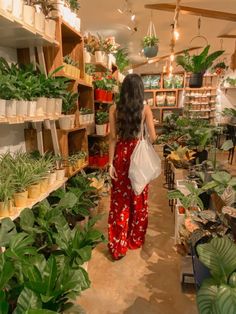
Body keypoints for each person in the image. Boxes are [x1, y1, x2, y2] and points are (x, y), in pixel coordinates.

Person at [108, 73, 157, 260]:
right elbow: (153, 137)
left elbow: (112, 138)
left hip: (121, 156)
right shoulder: (145, 109)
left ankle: (118, 245)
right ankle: (134, 239)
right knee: (138, 197)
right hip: (138, 157)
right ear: (140, 90)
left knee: (120, 201)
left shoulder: (114, 109)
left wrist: (110, 163)